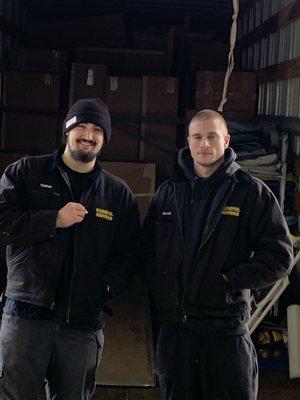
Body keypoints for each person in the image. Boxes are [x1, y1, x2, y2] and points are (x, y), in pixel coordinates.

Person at [142, 109, 293, 400]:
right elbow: (147, 250)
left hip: (225, 332)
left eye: (212, 136)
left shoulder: (251, 193)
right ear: (188, 142)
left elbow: (280, 256)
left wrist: (229, 281)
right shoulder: (168, 192)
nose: (204, 144)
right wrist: (162, 286)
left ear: (226, 140)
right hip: (176, 332)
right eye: (197, 137)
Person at [0, 98, 140, 400]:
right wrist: (53, 220)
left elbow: (130, 253)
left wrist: (103, 288)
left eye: (97, 130)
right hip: (26, 316)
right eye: (81, 126)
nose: (88, 135)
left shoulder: (117, 193)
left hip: (82, 323)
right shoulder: (26, 173)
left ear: (105, 138)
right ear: (67, 129)